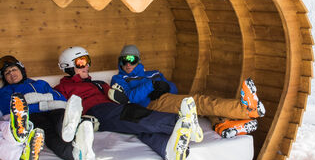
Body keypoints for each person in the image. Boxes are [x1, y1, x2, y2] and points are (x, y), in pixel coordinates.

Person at [54, 46, 199, 160]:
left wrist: (119, 96)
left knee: (136, 125)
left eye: (87, 61)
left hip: (112, 109)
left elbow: (120, 97)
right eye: (81, 63)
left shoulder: (99, 83)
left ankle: (167, 149)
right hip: (96, 113)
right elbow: (63, 111)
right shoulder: (62, 88)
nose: (86, 66)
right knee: (132, 114)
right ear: (68, 67)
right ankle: (180, 123)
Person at [109, 44, 265, 138]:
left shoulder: (154, 73)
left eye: (132, 60)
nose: (128, 64)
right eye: (124, 60)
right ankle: (246, 110)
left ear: (138, 61)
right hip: (151, 105)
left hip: (167, 97)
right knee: (198, 102)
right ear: (120, 62)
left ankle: (223, 124)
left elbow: (173, 88)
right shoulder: (119, 79)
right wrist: (151, 85)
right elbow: (130, 98)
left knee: (202, 105)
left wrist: (165, 86)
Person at [0, 55, 96, 160]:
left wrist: (30, 99)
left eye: (14, 69)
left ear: (22, 70)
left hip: (54, 110)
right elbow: (11, 109)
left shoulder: (40, 83)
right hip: (32, 115)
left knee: (61, 116)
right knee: (48, 132)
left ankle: (71, 130)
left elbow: (60, 98)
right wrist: (44, 101)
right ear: (4, 77)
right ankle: (74, 155)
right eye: (7, 73)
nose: (12, 74)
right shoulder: (4, 92)